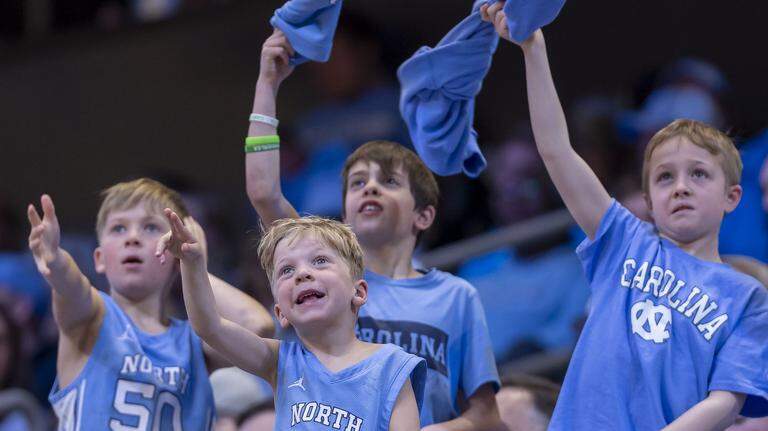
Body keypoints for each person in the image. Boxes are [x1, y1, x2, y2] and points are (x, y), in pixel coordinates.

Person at [482, 2, 768, 429]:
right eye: (665, 177)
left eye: (699, 174)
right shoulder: (623, 240)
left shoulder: (748, 297)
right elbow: (557, 152)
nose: (682, 186)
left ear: (732, 196)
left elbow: (727, 401)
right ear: (648, 200)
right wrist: (533, 49)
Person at [245, 29, 503, 429]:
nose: (370, 187)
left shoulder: (456, 296)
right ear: (344, 211)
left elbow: (486, 416)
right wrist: (267, 83)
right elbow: (263, 190)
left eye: (389, 181)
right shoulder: (324, 280)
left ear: (424, 215)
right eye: (357, 182)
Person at [26, 178, 274, 429]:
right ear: (99, 259)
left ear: (174, 251)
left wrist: (193, 265)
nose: (132, 237)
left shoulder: (197, 339)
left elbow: (257, 326)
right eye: (118, 229)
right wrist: (55, 259)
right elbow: (70, 285)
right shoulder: (91, 317)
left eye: (151, 228)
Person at [161, 213, 426, 429]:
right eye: (287, 270)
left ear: (358, 292)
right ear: (281, 313)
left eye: (320, 261)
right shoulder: (280, 362)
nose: (302, 274)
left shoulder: (393, 366)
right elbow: (210, 327)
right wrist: (192, 262)